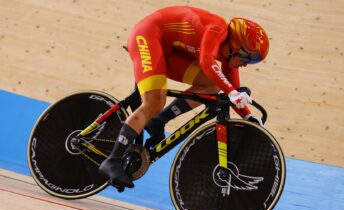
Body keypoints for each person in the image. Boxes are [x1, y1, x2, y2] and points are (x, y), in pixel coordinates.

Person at [99, 6, 269, 189]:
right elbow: (206, 61)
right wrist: (232, 92)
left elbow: (232, 89)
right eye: (249, 58)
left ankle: (158, 120)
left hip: (170, 49)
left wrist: (248, 116)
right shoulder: (217, 28)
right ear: (237, 46)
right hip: (148, 36)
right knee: (154, 101)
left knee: (212, 85)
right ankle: (112, 160)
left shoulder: (229, 57)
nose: (247, 65)